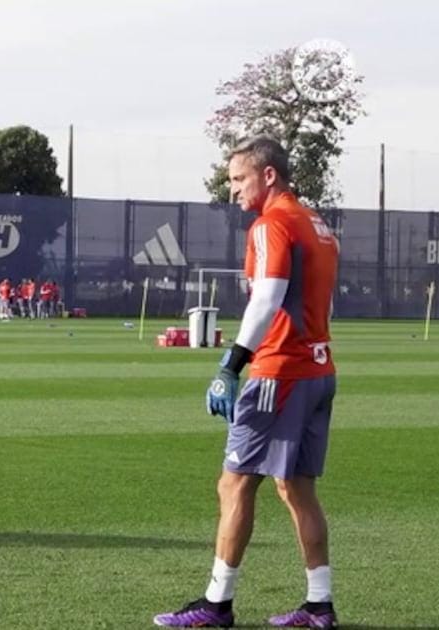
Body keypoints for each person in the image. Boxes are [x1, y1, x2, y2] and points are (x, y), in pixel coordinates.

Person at [154, 137, 340, 628]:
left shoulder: (272, 223)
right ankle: (319, 605)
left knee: (234, 483)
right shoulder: (317, 224)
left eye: (239, 178)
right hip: (320, 370)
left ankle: (216, 604)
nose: (232, 188)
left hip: (280, 372)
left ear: (269, 175)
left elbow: (268, 299)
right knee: (297, 489)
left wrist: (231, 366)